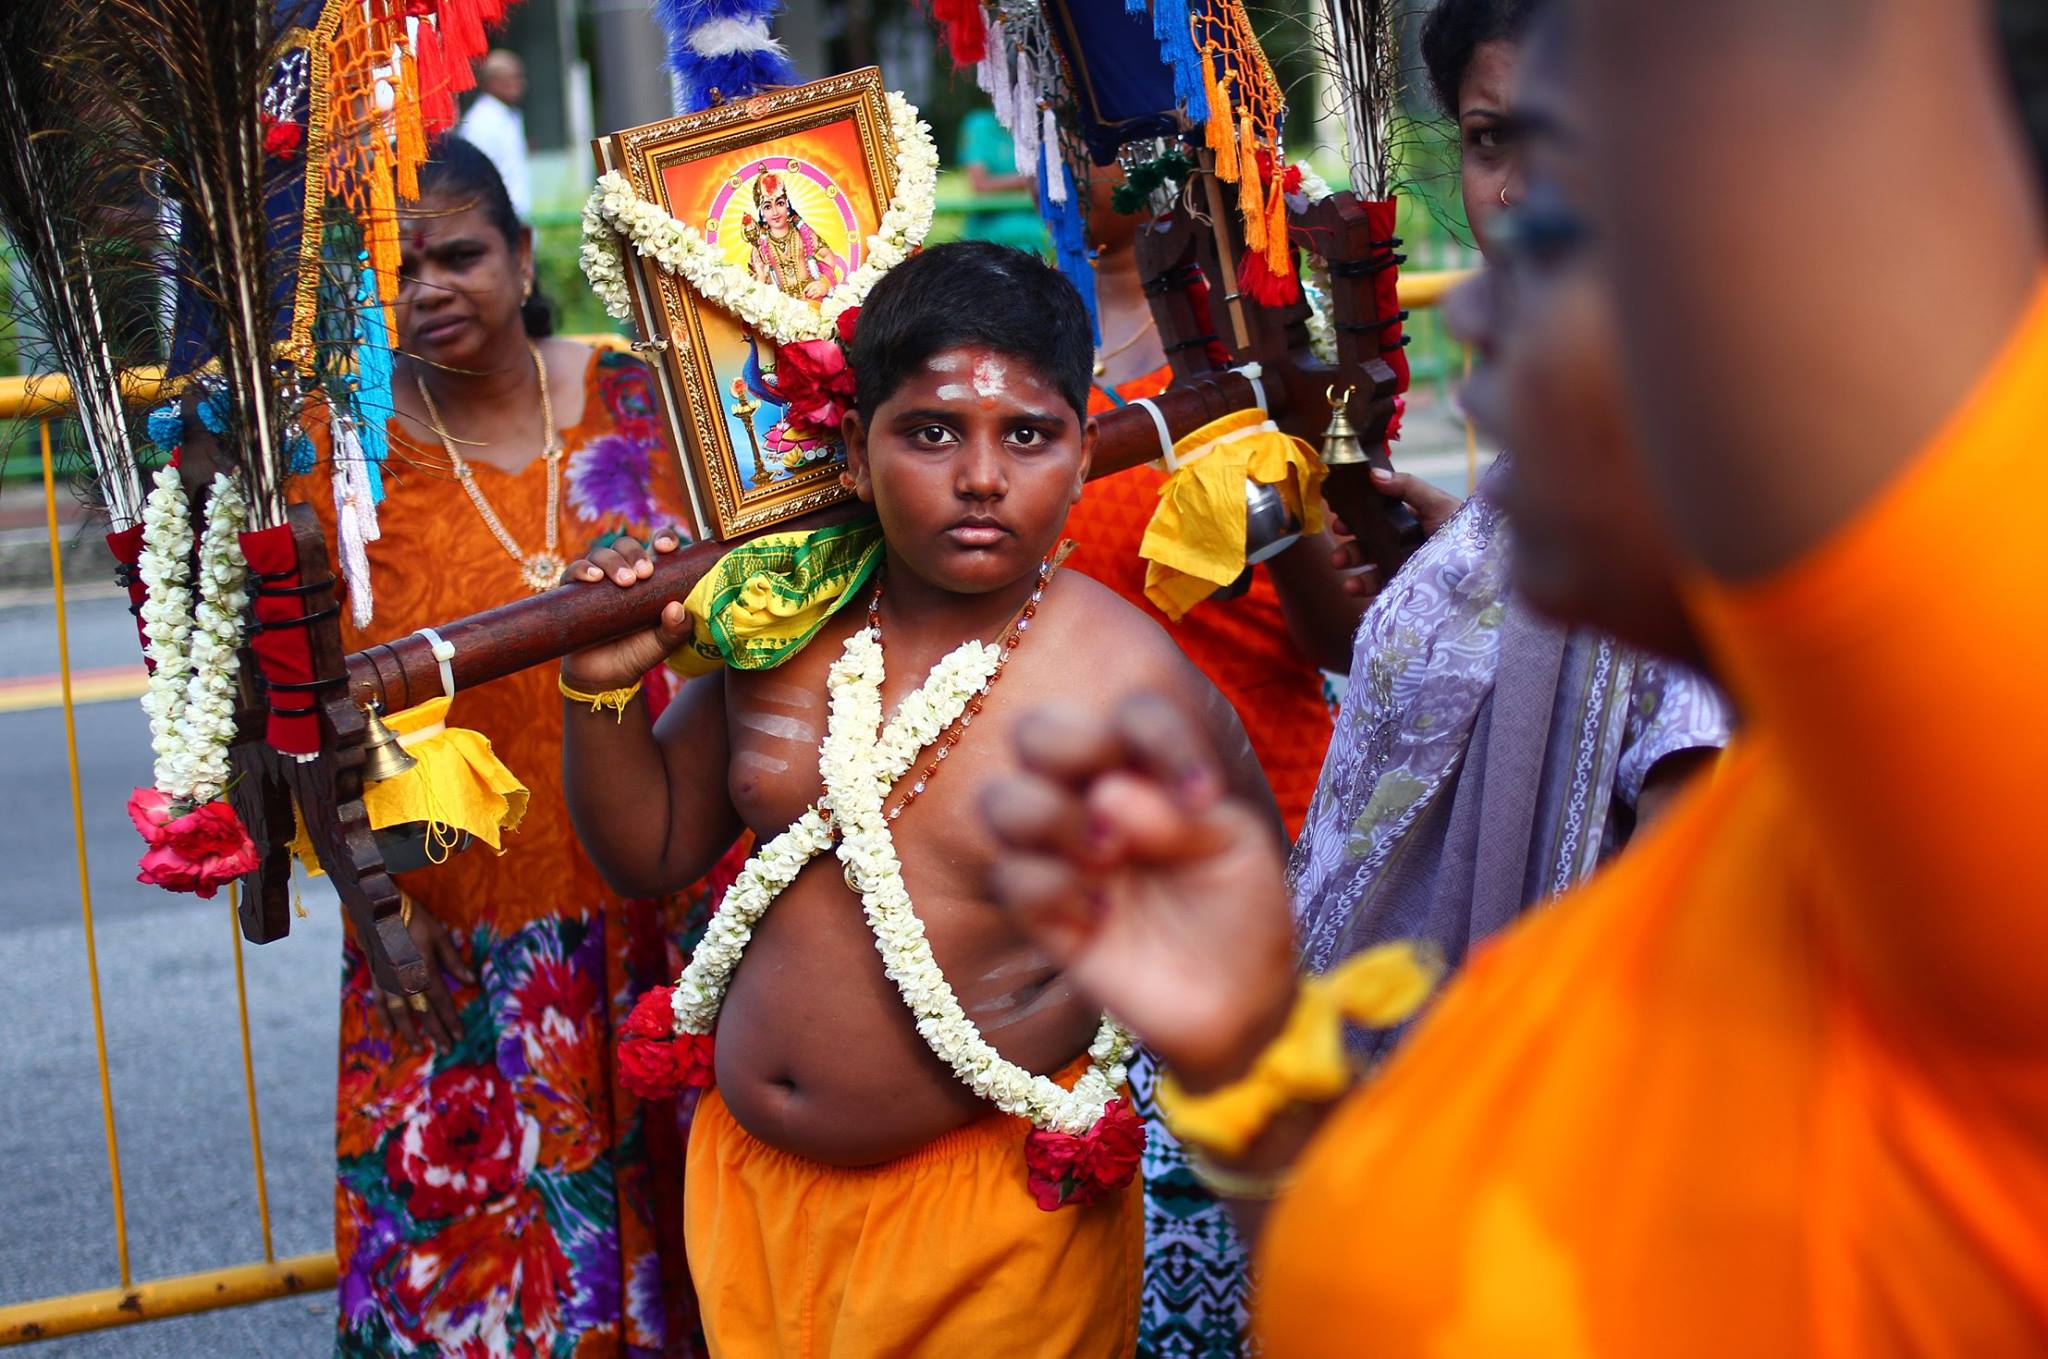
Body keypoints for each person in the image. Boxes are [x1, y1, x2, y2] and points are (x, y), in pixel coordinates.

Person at [982, 0, 2048, 1351]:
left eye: (1575, 230)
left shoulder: (1970, 848)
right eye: (1500, 157)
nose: (1481, 290)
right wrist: (1250, 1056)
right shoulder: (1625, 925)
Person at [557, 241, 1281, 1356]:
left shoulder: (1129, 685)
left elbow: (1249, 943)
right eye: (932, 431)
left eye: (1026, 435)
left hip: (999, 1213)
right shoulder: (784, 619)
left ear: (1083, 455)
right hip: (749, 1194)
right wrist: (596, 696)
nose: (980, 476)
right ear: (854, 451)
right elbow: (648, 850)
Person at [296, 138, 712, 1356]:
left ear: (523, 257)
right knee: (473, 1293)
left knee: (703, 1257)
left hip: (664, 905)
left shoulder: (641, 392)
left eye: (461, 253)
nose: (428, 285)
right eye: (392, 263)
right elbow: (301, 702)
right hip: (455, 931)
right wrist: (371, 883)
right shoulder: (339, 463)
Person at [1288, 0, 1731, 1049]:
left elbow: (1690, 918)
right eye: (1491, 140)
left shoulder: (1717, 459)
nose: (1523, 189)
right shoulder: (1568, 441)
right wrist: (1470, 555)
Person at [1063, 163, 1353, 1359]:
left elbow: (1345, 634)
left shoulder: (1262, 345)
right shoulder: (1018, 334)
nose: (1080, 158)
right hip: (1068, 868)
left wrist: (1274, 515)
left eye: (1101, 130)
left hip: (1262, 842)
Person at [956, 105, 1048, 255]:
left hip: (1030, 237)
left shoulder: (1036, 125)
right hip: (987, 238)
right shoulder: (980, 124)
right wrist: (1026, 180)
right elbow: (979, 183)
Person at [744, 171, 848, 302]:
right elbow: (756, 292)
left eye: (780, 203)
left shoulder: (802, 232)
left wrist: (824, 283)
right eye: (767, 206)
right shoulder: (759, 246)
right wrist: (761, 277)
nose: (775, 212)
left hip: (813, 302)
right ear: (761, 212)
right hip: (781, 310)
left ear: (787, 204)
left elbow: (828, 256)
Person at [459, 50, 532, 219]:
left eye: (520, 77)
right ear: (492, 82)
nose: (520, 84)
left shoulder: (508, 115)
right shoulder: (481, 122)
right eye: (512, 78)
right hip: (497, 218)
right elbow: (476, 178)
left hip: (517, 217)